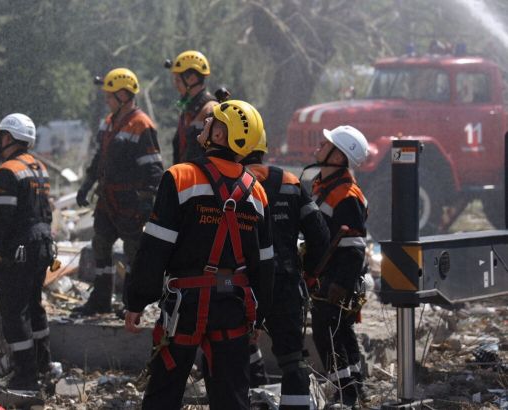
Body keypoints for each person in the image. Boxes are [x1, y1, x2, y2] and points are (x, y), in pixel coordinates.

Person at [125, 100, 274, 409]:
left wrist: (137, 300)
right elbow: (265, 263)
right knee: (232, 398)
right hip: (233, 306)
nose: (204, 125)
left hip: (185, 309)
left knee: (163, 396)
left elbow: (155, 247)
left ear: (220, 136)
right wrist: (259, 316)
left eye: (211, 122)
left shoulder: (180, 178)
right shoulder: (257, 192)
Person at [241, 128, 330, 408]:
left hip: (240, 287)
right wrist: (309, 273)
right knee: (292, 359)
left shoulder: (230, 183)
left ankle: (249, 394)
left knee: (232, 348)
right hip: (285, 282)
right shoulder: (290, 182)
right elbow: (321, 236)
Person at [0, 113, 54, 391]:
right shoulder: (38, 167)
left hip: (19, 252)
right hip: (42, 247)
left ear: (8, 137)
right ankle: (44, 365)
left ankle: (26, 376)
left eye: (1, 136)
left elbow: (0, 219)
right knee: (34, 305)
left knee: (14, 312)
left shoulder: (9, 172)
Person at [73, 68, 163, 316]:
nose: (106, 100)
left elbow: (154, 168)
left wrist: (148, 201)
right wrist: (87, 184)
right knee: (101, 245)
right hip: (107, 200)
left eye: (110, 95)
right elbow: (98, 158)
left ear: (124, 94)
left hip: (130, 202)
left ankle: (132, 305)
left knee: (134, 254)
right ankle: (100, 300)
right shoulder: (109, 122)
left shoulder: (142, 125)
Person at [309, 125, 369, 408]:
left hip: (337, 278)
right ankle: (354, 389)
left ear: (338, 157)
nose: (319, 145)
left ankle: (346, 393)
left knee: (328, 332)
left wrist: (341, 285)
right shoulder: (324, 185)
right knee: (341, 331)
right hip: (326, 275)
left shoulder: (346, 195)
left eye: (326, 143)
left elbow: (355, 248)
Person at [166, 50, 218, 164]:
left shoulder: (210, 109)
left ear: (192, 79)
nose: (175, 85)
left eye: (178, 80)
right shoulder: (188, 111)